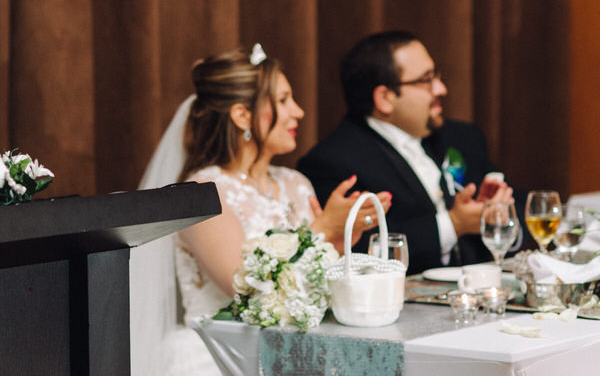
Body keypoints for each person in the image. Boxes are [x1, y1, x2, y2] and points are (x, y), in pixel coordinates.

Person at [130, 45, 390, 376]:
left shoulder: (296, 183)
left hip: (298, 351)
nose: (298, 112)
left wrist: (338, 244)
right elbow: (244, 294)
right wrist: (323, 228)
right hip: (223, 356)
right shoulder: (201, 193)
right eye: (283, 101)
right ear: (242, 115)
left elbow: (310, 291)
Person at [297, 30, 514, 276]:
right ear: (385, 98)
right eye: (426, 80)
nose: (441, 88)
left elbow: (518, 213)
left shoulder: (461, 137)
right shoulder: (334, 161)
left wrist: (496, 215)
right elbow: (357, 252)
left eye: (437, 76)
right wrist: (453, 225)